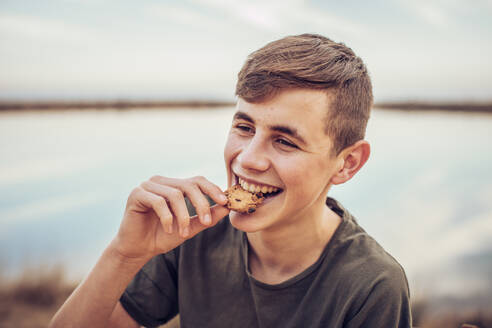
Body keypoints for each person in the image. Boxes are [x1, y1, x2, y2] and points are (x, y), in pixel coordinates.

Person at [50, 33, 412, 328]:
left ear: (347, 164)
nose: (248, 159)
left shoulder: (371, 287)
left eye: (285, 141)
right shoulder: (192, 227)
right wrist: (124, 254)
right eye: (244, 127)